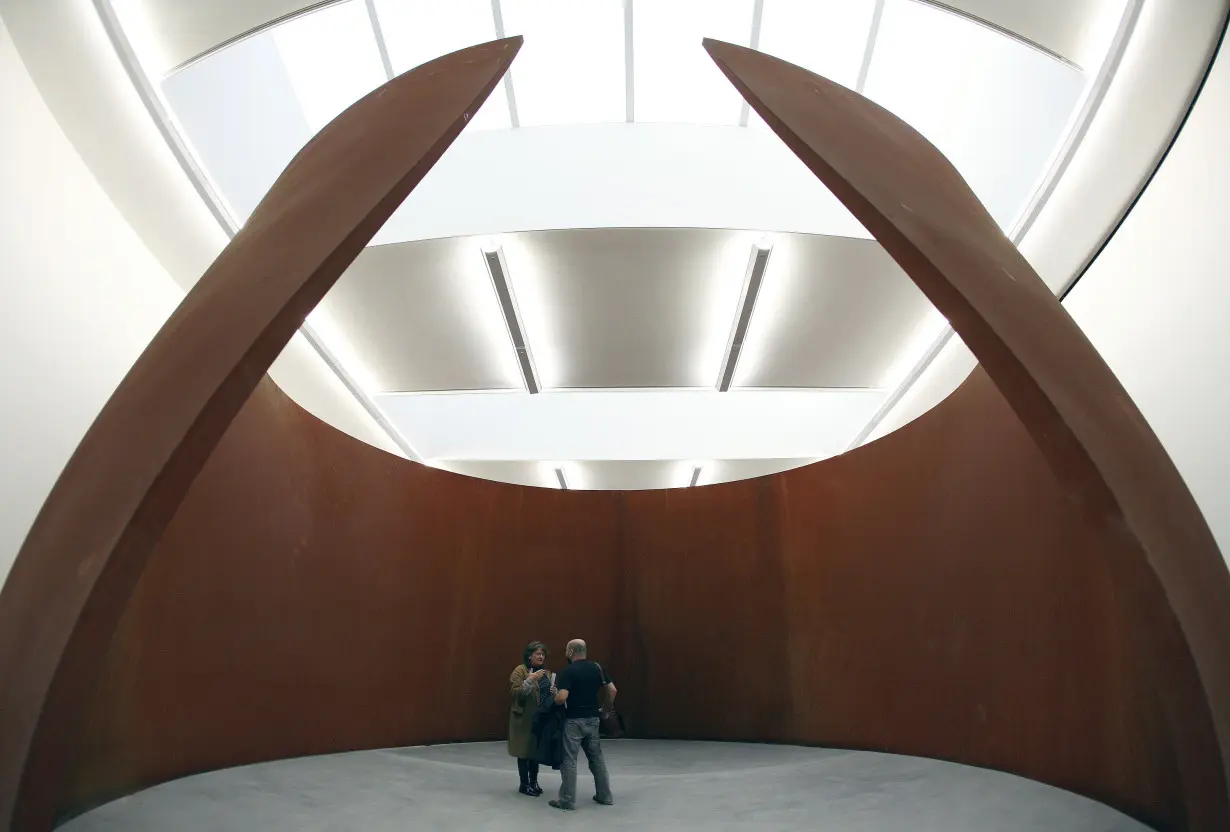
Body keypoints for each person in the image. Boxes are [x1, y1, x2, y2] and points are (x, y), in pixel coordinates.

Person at [549, 638, 616, 811]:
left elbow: (562, 697)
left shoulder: (568, 671)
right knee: (597, 759)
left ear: (571, 652)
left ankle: (567, 800)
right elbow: (613, 690)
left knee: (569, 760)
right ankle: (605, 796)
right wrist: (605, 709)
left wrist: (554, 697)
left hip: (573, 721)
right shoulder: (597, 668)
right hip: (593, 719)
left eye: (566, 650)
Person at [508, 641, 556, 796]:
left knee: (535, 751)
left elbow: (546, 695)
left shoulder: (546, 673)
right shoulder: (520, 670)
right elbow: (515, 693)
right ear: (529, 656)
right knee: (524, 751)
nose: (541, 656)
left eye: (543, 654)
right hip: (524, 719)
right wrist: (529, 680)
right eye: (538, 654)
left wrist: (553, 691)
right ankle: (524, 784)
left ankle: (534, 782)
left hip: (540, 718)